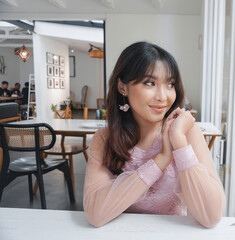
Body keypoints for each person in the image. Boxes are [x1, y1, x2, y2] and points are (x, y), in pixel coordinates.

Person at [84, 42, 225, 228]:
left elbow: (211, 216)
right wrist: (162, 159)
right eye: (150, 83)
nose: (163, 96)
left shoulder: (187, 134)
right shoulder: (104, 139)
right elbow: (95, 214)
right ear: (122, 87)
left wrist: (179, 143)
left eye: (170, 84)